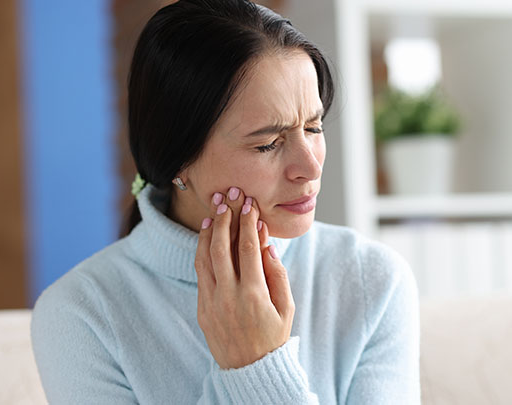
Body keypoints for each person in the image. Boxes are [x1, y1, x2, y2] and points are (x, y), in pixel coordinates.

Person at [31, 0, 420, 403]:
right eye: (268, 143)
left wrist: (257, 365)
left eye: (313, 126)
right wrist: (254, 369)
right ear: (178, 160)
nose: (309, 166)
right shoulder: (80, 314)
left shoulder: (371, 279)